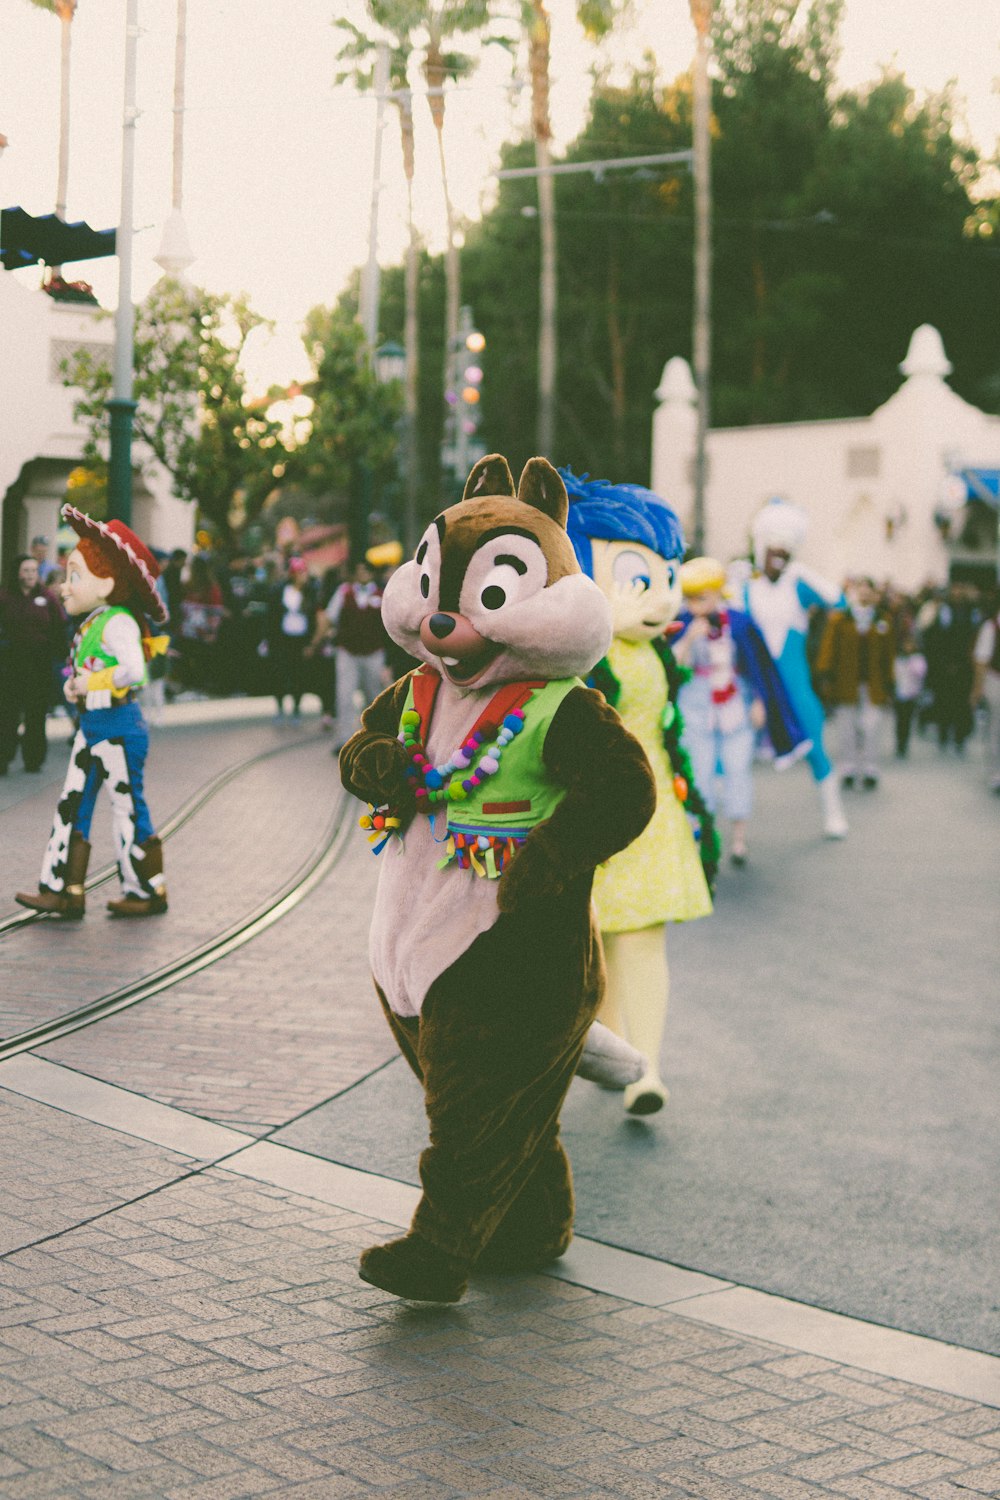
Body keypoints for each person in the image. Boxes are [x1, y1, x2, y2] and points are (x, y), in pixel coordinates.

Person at [338, 454, 655, 1303]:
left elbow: (626, 791)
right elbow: (359, 752)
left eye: (481, 598)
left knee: (472, 1111)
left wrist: (553, 859)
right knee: (497, 1104)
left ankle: (439, 1252)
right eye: (441, 593)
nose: (449, 625)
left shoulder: (560, 705)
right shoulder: (418, 690)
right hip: (414, 935)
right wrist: (377, 764)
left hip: (513, 941)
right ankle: (533, 1224)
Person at [562, 470, 717, 1116]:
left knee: (643, 938)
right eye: (638, 580)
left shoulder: (659, 656)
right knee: (591, 943)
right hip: (593, 816)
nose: (661, 600)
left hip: (653, 815)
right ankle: (618, 1051)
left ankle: (645, 1068)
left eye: (668, 579)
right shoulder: (578, 658)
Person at [15, 506, 170, 919]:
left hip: (117, 726)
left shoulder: (119, 622)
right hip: (94, 726)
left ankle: (146, 890)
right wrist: (75, 684)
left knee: (127, 807)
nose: (65, 588)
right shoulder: (95, 622)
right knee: (72, 803)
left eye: (75, 577)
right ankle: (63, 888)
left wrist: (88, 684)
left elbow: (135, 671)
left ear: (108, 581)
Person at [674, 556, 811, 866]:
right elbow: (673, 667)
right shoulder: (682, 622)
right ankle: (701, 837)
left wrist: (762, 701)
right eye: (690, 598)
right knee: (699, 774)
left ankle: (738, 840)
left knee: (738, 770)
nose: (695, 604)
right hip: (696, 706)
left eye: (702, 597)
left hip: (736, 703)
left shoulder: (739, 621)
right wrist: (690, 638)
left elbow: (758, 666)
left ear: (717, 592)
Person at [744, 499, 848, 837]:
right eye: (774, 548)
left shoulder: (798, 584)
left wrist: (806, 573)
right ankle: (723, 829)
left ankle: (833, 813)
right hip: (756, 688)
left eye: (787, 550)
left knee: (816, 748)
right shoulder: (744, 587)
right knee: (729, 755)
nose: (781, 555)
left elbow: (839, 600)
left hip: (795, 684)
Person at [814, 577, 895, 789]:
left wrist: (890, 681)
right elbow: (828, 648)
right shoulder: (841, 619)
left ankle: (870, 768)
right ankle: (848, 768)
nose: (865, 593)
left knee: (871, 726)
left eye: (869, 589)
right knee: (847, 727)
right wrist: (825, 675)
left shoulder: (882, 620)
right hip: (846, 681)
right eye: (861, 589)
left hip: (873, 682)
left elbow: (889, 654)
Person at [0, 555, 67, 774]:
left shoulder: (47, 597)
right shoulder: (5, 595)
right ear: (17, 572)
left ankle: (33, 759)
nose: (30, 574)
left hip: (39, 663)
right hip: (10, 663)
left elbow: (60, 627)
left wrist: (62, 655)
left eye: (33, 570)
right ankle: (3, 757)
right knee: (7, 714)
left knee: (36, 713)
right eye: (26, 570)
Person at [321, 559, 389, 749]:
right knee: (344, 694)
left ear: (372, 573)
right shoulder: (344, 592)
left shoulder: (382, 595)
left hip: (374, 652)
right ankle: (344, 739)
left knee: (374, 695)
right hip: (347, 652)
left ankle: (374, 737)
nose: (362, 574)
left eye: (366, 570)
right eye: (359, 570)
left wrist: (389, 661)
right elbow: (329, 616)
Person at [266, 555, 318, 720]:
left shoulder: (309, 592)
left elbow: (314, 616)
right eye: (300, 573)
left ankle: (296, 706)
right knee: (280, 673)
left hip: (300, 639)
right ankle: (280, 706)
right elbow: (271, 615)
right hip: (282, 638)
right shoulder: (280, 590)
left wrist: (310, 642)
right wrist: (268, 638)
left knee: (298, 674)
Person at [971, 595, 1000, 793]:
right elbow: (981, 659)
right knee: (996, 727)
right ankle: (995, 772)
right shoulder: (991, 628)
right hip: (996, 679)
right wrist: (978, 687)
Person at [891, 626, 928, 759]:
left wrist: (911, 663)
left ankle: (904, 743)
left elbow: (921, 673)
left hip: (911, 695)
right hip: (899, 694)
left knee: (907, 720)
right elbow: (893, 675)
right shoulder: (897, 659)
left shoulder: (918, 659)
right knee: (899, 721)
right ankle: (899, 742)